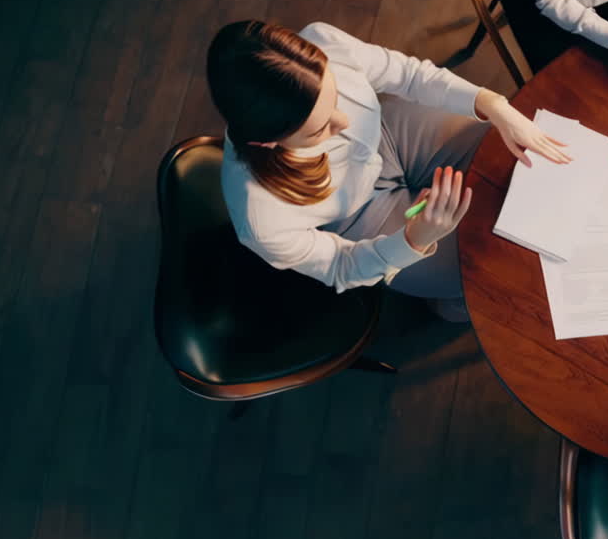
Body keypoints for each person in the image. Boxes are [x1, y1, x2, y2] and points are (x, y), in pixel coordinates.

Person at [206, 20, 570, 322]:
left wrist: (493, 105)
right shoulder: (262, 218)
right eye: (319, 131)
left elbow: (408, 76)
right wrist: (415, 237)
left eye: (335, 98)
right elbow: (340, 267)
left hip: (390, 133)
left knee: (507, 159)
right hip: (358, 217)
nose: (345, 121)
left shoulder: (321, 39)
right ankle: (450, 303)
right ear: (267, 143)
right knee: (493, 272)